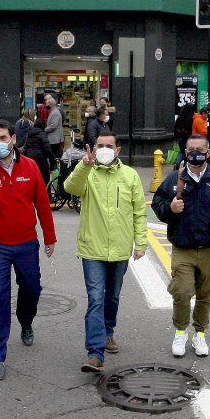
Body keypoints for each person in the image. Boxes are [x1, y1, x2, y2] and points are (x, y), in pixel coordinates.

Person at [0, 120, 57, 380]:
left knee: (32, 288)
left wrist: (50, 237)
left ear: (13, 139)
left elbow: (42, 203)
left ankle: (26, 322)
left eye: (3, 138)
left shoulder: (30, 166)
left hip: (26, 242)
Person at [152, 134, 210, 358]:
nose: (195, 153)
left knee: (206, 293)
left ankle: (200, 333)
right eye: (190, 149)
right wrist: (170, 208)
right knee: (182, 291)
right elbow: (158, 203)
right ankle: (181, 331)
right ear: (185, 151)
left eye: (199, 149)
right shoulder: (175, 179)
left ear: (208, 152)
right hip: (183, 248)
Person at [64, 130, 147, 373]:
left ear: (118, 150)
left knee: (112, 296)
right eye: (99, 145)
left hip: (120, 249)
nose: (104, 149)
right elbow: (70, 187)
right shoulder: (87, 173)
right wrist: (84, 166)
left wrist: (140, 243)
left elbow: (139, 212)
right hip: (92, 248)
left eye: (108, 145)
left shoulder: (130, 176)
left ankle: (108, 331)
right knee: (96, 298)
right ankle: (95, 353)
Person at [21, 117, 54, 187]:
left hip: (29, 159)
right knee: (44, 181)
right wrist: (52, 164)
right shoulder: (42, 134)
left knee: (30, 180)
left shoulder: (29, 133)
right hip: (40, 161)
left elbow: (24, 146)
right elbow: (48, 150)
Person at [44, 94, 64, 158]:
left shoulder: (55, 112)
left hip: (54, 139)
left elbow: (53, 126)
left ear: (50, 104)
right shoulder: (53, 111)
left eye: (47, 104)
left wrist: (44, 129)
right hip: (53, 138)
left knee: (54, 155)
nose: (46, 105)